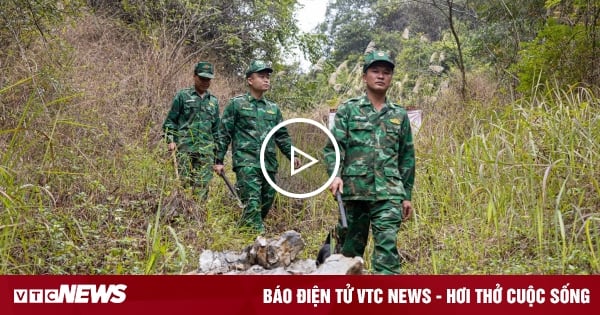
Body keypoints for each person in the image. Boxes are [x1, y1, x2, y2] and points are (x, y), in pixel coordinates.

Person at [323, 50, 415, 274]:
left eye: (386, 72)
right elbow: (334, 148)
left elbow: (406, 156)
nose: (381, 76)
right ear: (365, 77)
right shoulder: (348, 110)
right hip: (355, 193)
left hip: (389, 193)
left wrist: (406, 196)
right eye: (375, 71)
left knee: (387, 249)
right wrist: (335, 175)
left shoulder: (399, 115)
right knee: (349, 252)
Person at [213, 60, 299, 233]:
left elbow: (281, 135)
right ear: (250, 80)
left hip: (268, 164)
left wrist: (292, 155)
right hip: (247, 163)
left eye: (268, 77)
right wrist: (218, 159)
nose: (266, 80)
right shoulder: (236, 104)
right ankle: (259, 238)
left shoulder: (273, 109)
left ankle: (242, 236)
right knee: (252, 204)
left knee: (266, 201)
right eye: (261, 76)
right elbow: (224, 133)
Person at [162, 61, 220, 201]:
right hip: (184, 148)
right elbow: (170, 121)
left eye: (208, 79)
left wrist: (218, 156)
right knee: (183, 183)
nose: (205, 82)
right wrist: (171, 140)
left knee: (202, 186)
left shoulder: (213, 101)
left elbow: (217, 129)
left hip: (206, 151)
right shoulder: (182, 96)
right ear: (194, 76)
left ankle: (198, 217)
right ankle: (183, 215)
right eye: (202, 78)